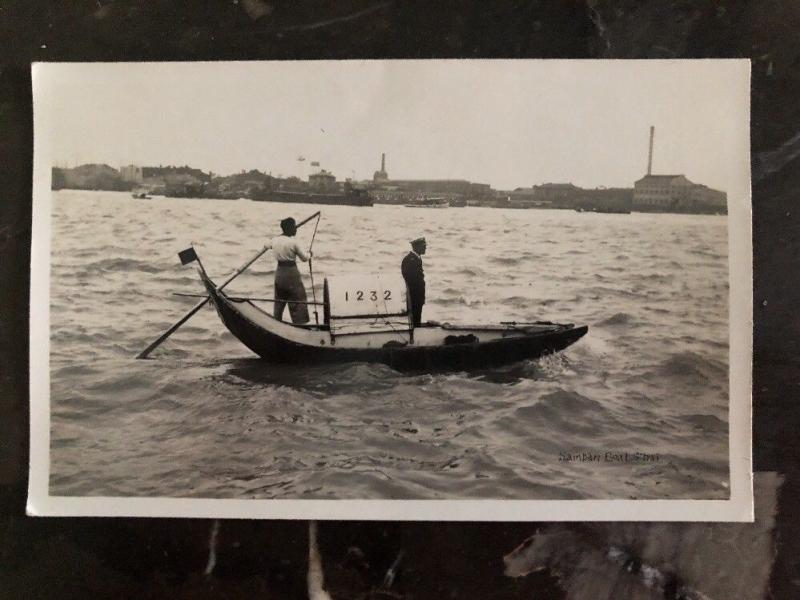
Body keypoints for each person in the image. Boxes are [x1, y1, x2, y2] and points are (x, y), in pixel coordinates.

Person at [268, 217, 311, 324]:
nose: (296, 229)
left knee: (279, 300)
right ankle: (300, 325)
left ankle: (276, 322)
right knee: (298, 299)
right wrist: (311, 254)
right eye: (294, 227)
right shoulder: (293, 243)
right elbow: (304, 258)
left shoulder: (274, 240)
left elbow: (266, 245)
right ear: (290, 228)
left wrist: (277, 239)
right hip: (291, 273)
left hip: (279, 273)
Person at [401, 237, 426, 326]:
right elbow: (410, 279)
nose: (425, 248)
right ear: (416, 247)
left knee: (417, 318)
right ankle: (414, 334)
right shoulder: (409, 260)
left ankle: (416, 331)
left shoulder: (416, 259)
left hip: (417, 296)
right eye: (423, 246)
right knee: (414, 318)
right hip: (414, 295)